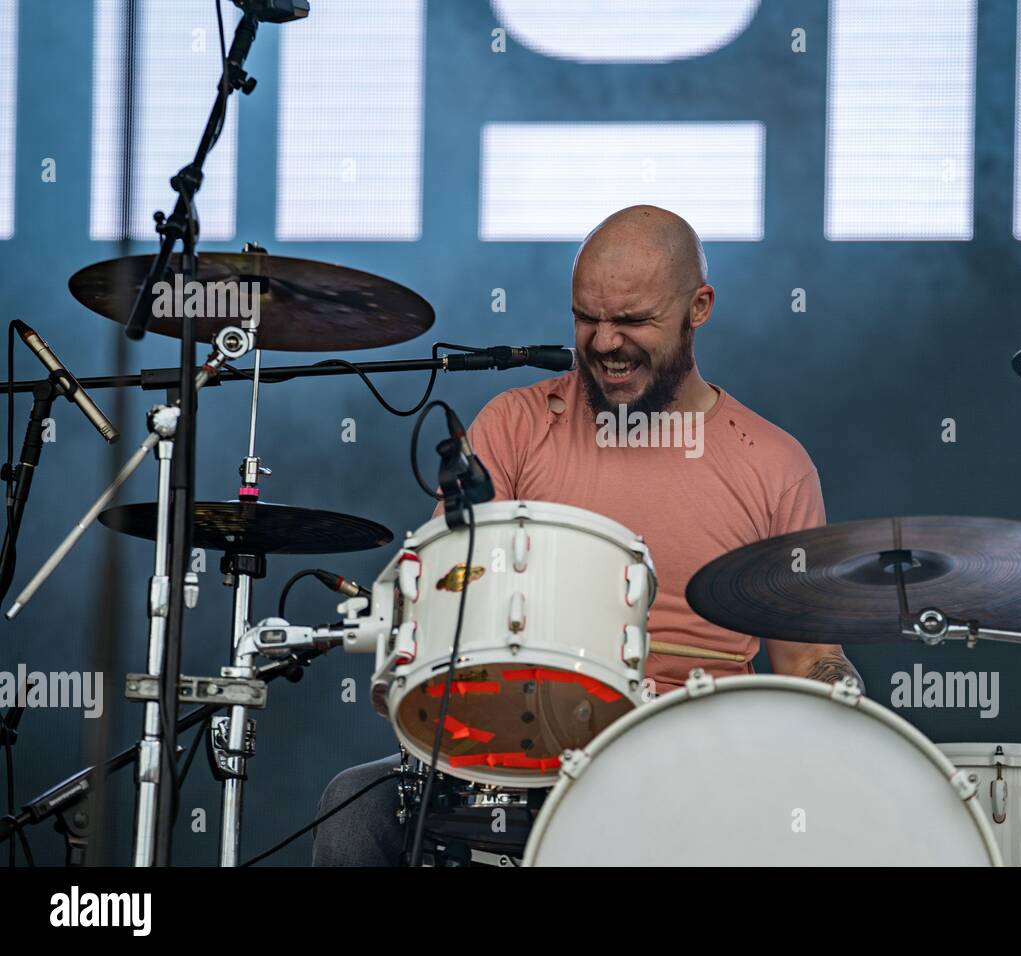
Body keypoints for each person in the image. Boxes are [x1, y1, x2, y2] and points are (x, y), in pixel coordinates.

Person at [312, 205, 861, 866]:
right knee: (357, 807)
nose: (603, 343)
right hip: (523, 744)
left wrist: (845, 713)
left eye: (631, 321)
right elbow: (451, 597)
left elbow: (807, 662)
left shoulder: (773, 464)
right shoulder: (515, 425)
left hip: (700, 762)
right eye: (586, 318)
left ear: (699, 307)